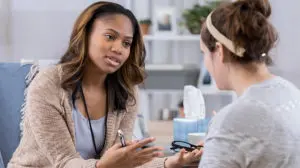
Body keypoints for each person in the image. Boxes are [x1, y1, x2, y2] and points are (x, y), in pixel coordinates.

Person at [8, 2, 200, 168]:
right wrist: (103, 165)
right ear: (85, 35)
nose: (118, 49)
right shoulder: (49, 83)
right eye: (110, 37)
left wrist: (169, 163)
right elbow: (64, 162)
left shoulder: (127, 91)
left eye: (126, 43)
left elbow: (120, 163)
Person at [198, 0, 300, 167]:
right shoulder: (292, 93)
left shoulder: (234, 119)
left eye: (204, 53)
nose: (206, 63)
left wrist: (224, 128)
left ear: (219, 51)